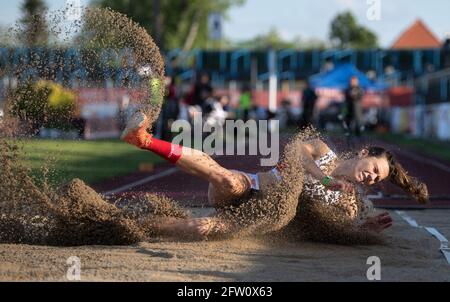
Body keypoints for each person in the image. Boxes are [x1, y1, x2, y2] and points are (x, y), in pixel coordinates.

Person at [121, 111, 429, 240]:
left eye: (377, 180)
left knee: (203, 227)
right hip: (249, 188)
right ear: (364, 154)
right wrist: (323, 180)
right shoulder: (322, 150)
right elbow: (295, 151)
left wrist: (364, 227)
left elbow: (335, 231)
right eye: (374, 170)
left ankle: (137, 226)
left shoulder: (350, 199)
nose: (371, 178)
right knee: (227, 179)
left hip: (258, 217)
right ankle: (144, 140)